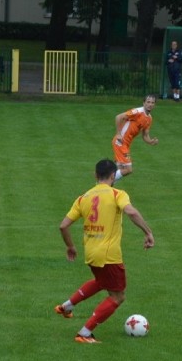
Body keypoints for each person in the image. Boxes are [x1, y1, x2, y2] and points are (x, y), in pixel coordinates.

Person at [54, 159, 155, 344]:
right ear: (112, 176)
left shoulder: (83, 198)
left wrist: (70, 246)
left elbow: (63, 226)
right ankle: (84, 333)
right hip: (109, 255)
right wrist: (148, 232)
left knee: (101, 281)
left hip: (91, 253)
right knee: (117, 297)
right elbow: (131, 212)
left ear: (95, 175)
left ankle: (65, 307)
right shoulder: (117, 194)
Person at [111, 94, 159, 181]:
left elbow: (145, 135)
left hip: (126, 144)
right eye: (148, 102)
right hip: (120, 143)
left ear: (154, 105)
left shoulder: (149, 118)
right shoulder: (137, 112)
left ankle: (107, 188)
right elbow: (119, 117)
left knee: (119, 169)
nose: (150, 104)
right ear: (144, 103)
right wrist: (118, 133)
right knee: (128, 169)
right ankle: (105, 182)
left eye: (152, 102)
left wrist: (151, 141)